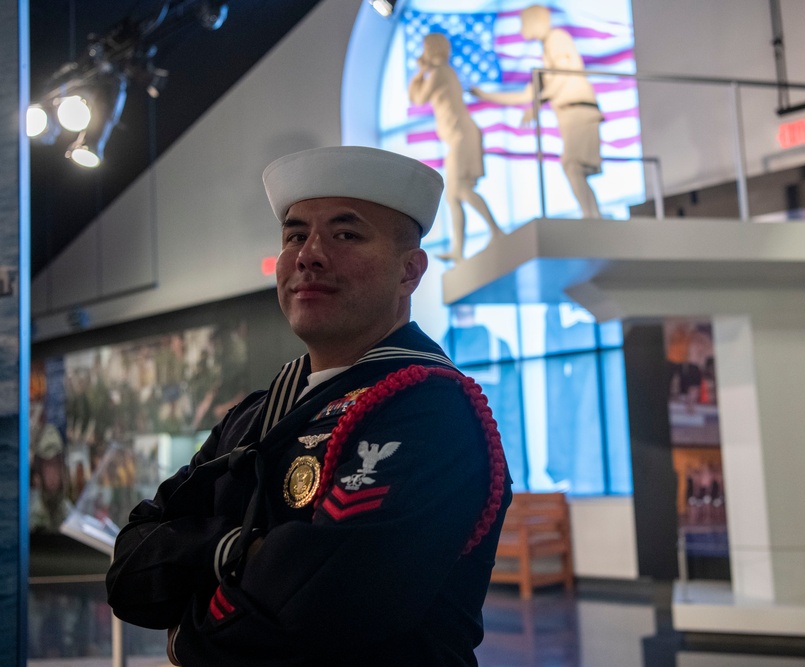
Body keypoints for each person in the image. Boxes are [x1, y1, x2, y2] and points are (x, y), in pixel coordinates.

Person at [106, 146, 512, 666]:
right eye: (296, 235)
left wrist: (190, 631)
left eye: (346, 234)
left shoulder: (430, 409)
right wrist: (243, 552)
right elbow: (130, 568)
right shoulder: (253, 415)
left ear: (409, 272)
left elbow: (330, 607)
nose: (309, 254)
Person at [470, 4, 604, 219]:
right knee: (574, 167)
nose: (522, 28)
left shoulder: (556, 38)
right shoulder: (547, 50)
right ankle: (592, 215)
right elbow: (527, 95)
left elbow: (564, 73)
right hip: (570, 115)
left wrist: (537, 104)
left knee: (572, 165)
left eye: (524, 22)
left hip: (579, 110)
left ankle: (592, 216)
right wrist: (486, 96)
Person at [408, 32, 504, 262]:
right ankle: (459, 251)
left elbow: (418, 98)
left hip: (462, 136)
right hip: (458, 137)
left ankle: (496, 231)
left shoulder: (440, 72)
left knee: (461, 190)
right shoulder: (443, 72)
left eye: (426, 48)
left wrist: (420, 71)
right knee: (453, 196)